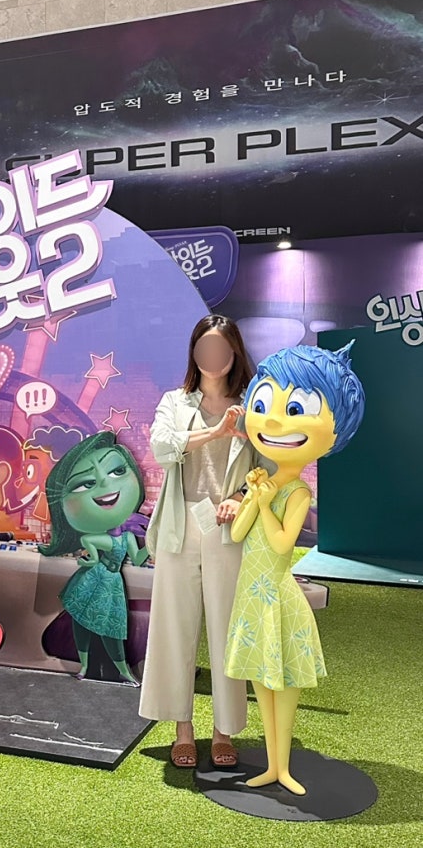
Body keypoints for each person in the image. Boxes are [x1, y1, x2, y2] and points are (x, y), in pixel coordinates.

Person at [224, 343, 364, 794]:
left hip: (278, 600)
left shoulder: (299, 493)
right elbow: (236, 533)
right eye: (263, 405)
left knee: (283, 687)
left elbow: (284, 544)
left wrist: (265, 503)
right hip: (251, 596)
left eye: (296, 409)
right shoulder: (264, 482)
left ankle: (283, 767)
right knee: (262, 686)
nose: (273, 421)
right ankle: (272, 765)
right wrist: (252, 496)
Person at [139, 314, 269, 769]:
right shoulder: (174, 402)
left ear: (234, 352)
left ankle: (223, 731)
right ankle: (182, 730)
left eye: (221, 348)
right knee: (174, 629)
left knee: (227, 632)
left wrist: (240, 497)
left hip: (228, 530)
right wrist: (215, 431)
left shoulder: (254, 404)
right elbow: (161, 448)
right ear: (195, 353)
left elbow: (268, 470)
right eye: (205, 348)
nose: (213, 357)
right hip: (181, 525)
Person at [39, 431, 148, 685]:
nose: (105, 484)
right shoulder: (105, 537)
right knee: (82, 624)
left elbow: (138, 558)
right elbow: (90, 542)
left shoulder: (127, 536)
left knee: (114, 630)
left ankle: (123, 671)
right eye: (85, 483)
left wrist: (152, 544)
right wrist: (90, 560)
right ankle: (86, 666)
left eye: (117, 471)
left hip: (111, 587)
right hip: (92, 582)